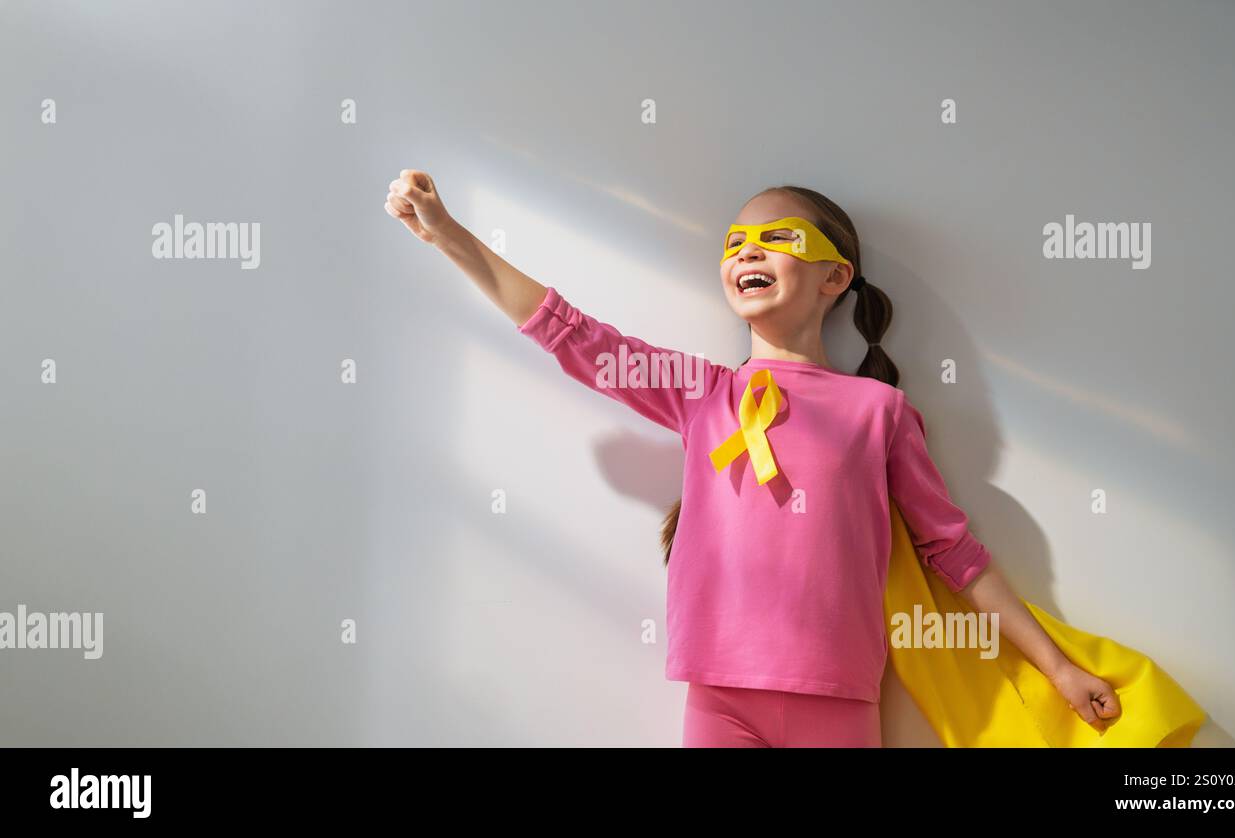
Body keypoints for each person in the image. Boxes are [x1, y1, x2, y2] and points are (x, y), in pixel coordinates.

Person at [383, 171, 1124, 747]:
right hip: (718, 696)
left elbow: (954, 553)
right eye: (735, 243)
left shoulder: (879, 412)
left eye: (778, 239)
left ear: (835, 277)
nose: (748, 252)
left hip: (839, 698)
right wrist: (448, 234)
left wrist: (1057, 667)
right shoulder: (701, 396)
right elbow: (570, 334)